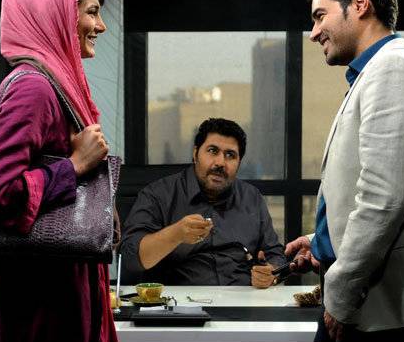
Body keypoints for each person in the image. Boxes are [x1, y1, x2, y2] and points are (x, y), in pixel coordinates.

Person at [284, 0, 404, 342]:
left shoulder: (394, 70)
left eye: (320, 16)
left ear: (360, 4)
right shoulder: (378, 72)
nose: (313, 33)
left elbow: (385, 199)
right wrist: (322, 242)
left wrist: (341, 293)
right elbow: (368, 191)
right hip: (370, 309)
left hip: (374, 313)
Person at [0, 0, 119, 342]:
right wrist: (75, 165)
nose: (101, 26)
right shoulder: (34, 89)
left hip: (56, 294)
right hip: (43, 308)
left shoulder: (53, 85)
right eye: (91, 12)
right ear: (57, 14)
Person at [120, 118, 285, 287]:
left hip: (243, 298)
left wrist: (270, 272)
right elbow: (130, 257)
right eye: (213, 151)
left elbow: (275, 253)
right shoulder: (158, 194)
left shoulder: (251, 197)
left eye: (230, 155)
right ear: (195, 153)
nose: (220, 162)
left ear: (239, 163)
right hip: (180, 300)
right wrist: (175, 234)